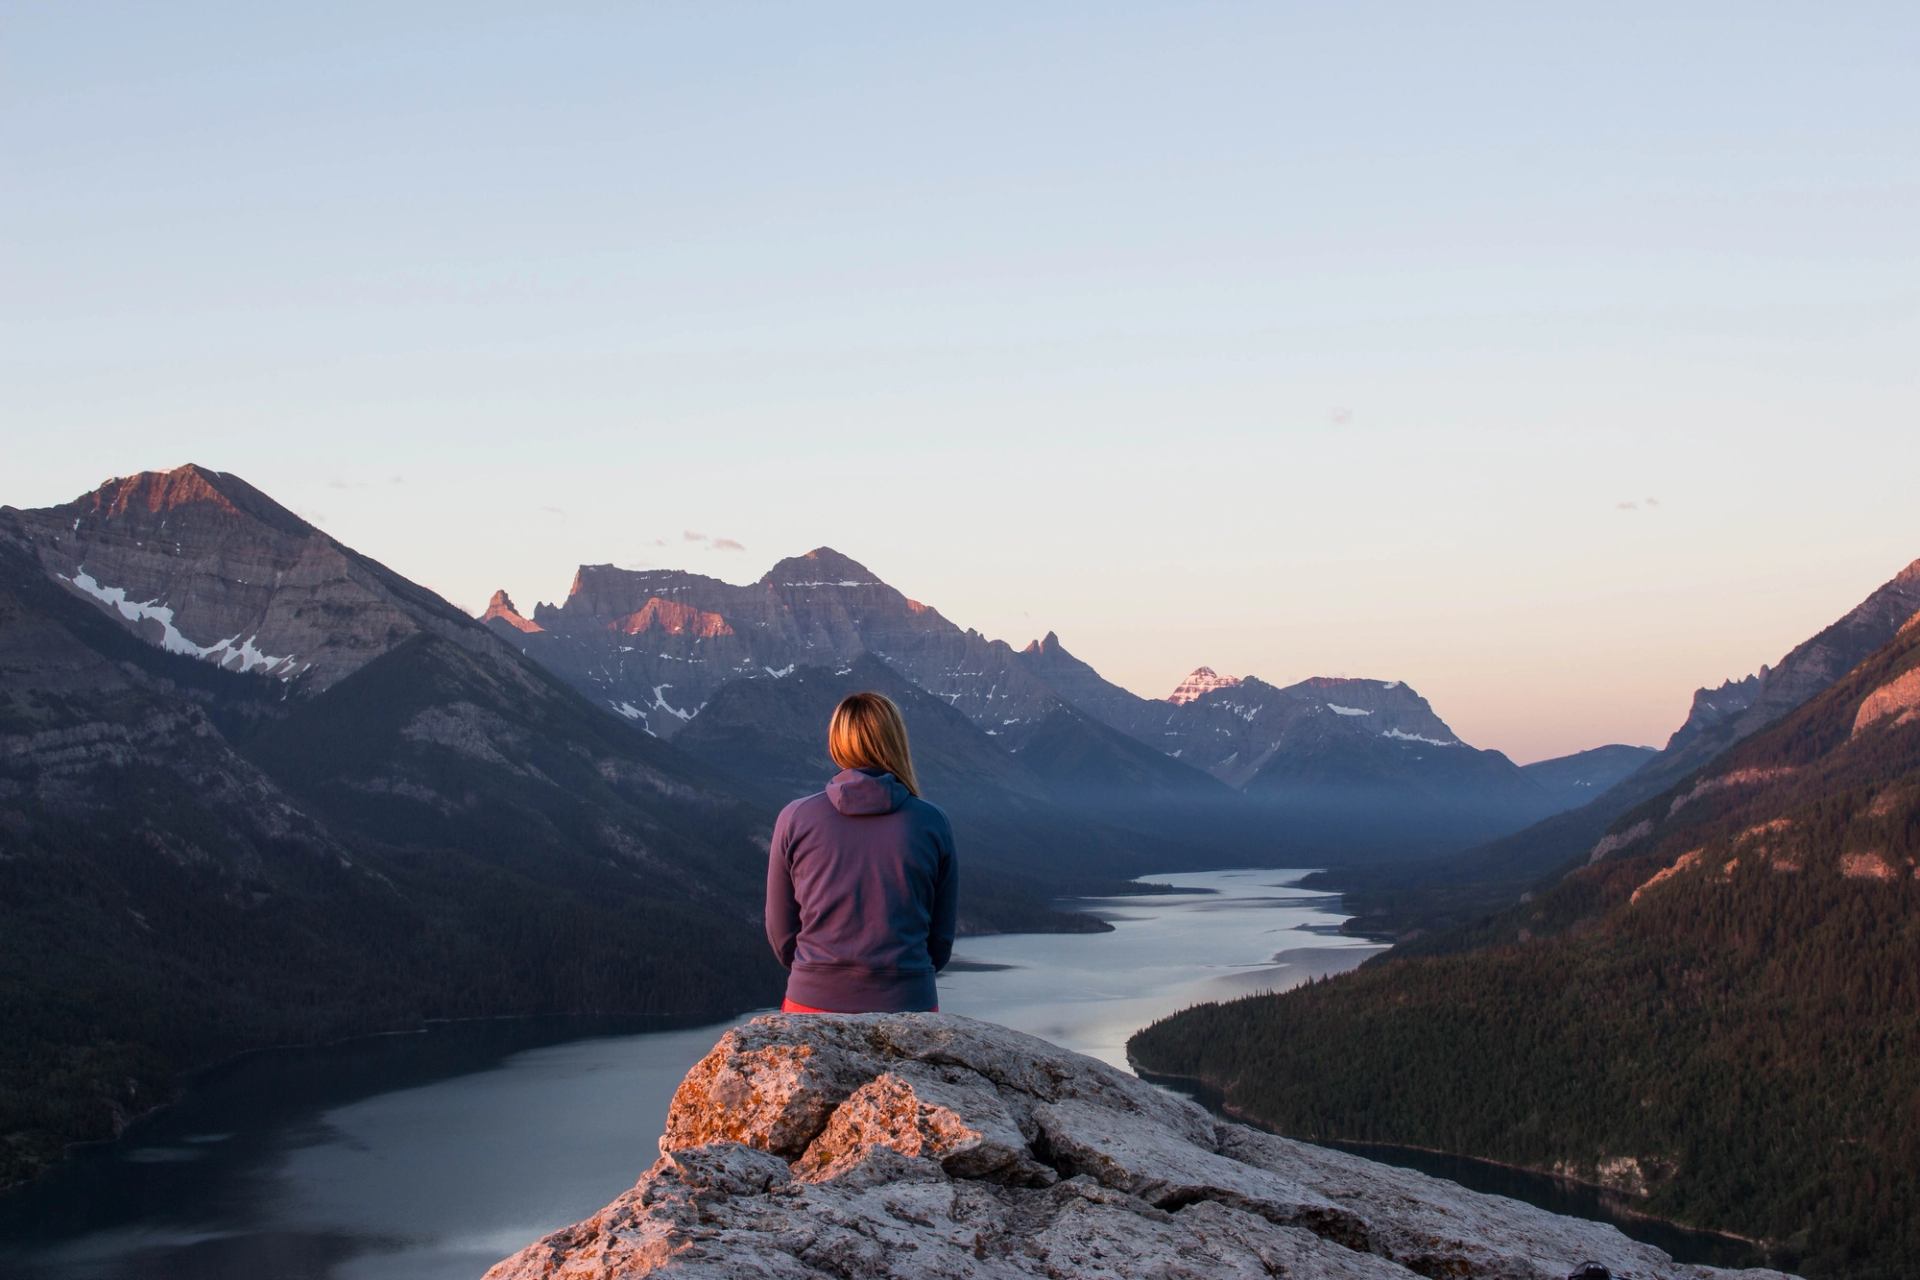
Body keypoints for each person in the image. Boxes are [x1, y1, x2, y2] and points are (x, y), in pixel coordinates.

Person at [764, 691, 959, 1014]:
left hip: (812, 1004)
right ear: (896, 741)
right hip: (909, 1006)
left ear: (836, 742)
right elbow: (940, 940)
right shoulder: (931, 822)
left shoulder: (796, 817)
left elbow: (781, 933)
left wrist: (819, 972)